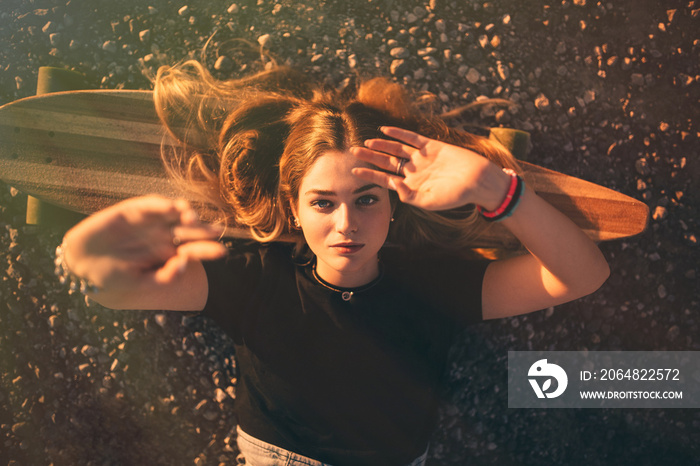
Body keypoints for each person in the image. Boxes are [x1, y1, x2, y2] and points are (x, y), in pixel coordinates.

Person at [55, 61, 610, 466]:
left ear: (395, 205)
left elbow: (583, 277)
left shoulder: (434, 285)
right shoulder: (253, 278)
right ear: (293, 208)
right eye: (323, 203)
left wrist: (496, 190)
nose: (346, 225)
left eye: (367, 199)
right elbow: (108, 288)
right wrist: (95, 243)